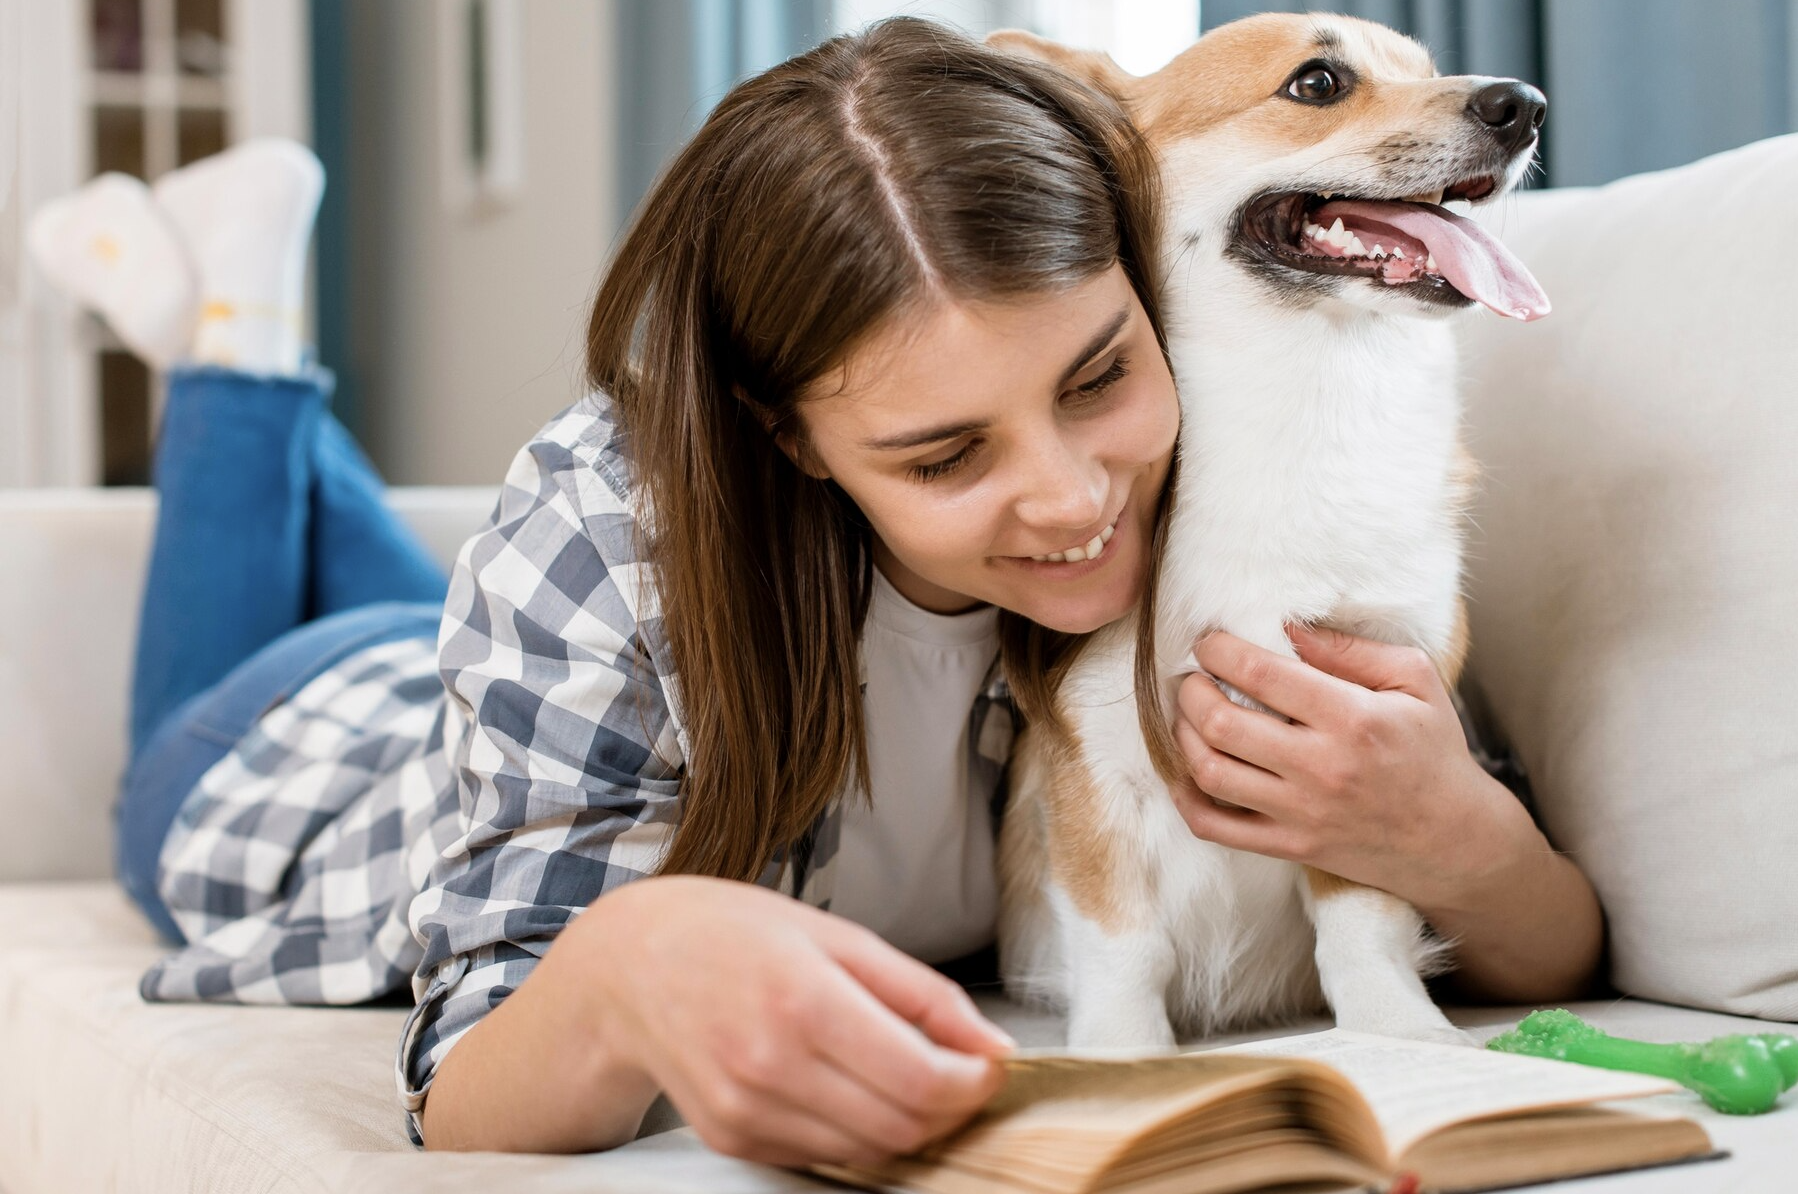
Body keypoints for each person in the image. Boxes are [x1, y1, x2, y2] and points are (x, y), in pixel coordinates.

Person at [28, 17, 1603, 1169]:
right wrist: (627, 968)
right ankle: (228, 338)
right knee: (230, 681)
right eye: (939, 454)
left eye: (1099, 375)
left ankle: (218, 341)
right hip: (287, 764)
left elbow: (1516, 919)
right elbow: (464, 1075)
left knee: (414, 595)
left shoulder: (1235, 447)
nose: (1068, 497)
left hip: (472, 653)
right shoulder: (615, 529)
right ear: (791, 440)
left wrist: (1456, 831)